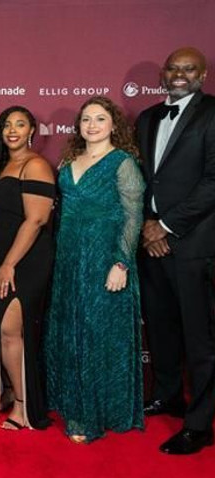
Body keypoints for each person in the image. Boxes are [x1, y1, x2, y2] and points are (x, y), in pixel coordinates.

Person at [44, 96, 145, 444]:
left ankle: (93, 415)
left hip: (105, 259)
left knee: (97, 334)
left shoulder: (123, 162)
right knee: (69, 330)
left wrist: (121, 263)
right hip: (69, 257)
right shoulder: (70, 160)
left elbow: (133, 217)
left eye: (99, 119)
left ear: (113, 124)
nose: (91, 125)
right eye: (86, 119)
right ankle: (72, 404)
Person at [136, 47, 215, 455]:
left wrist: (165, 225)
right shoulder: (148, 118)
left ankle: (200, 424)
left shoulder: (213, 114)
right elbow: (143, 180)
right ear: (163, 73)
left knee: (200, 338)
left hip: (193, 244)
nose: (179, 74)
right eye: (173, 68)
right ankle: (168, 396)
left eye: (188, 69)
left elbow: (212, 182)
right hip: (150, 245)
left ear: (201, 74)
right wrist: (148, 229)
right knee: (161, 328)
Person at [0, 106, 55, 431]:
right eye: (7, 124)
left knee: (11, 330)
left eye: (20, 124)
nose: (13, 130)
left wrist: (9, 263)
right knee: (3, 332)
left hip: (25, 259)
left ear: (32, 130)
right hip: (1, 257)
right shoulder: (3, 165)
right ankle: (10, 392)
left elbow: (37, 219)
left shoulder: (35, 164)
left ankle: (25, 407)